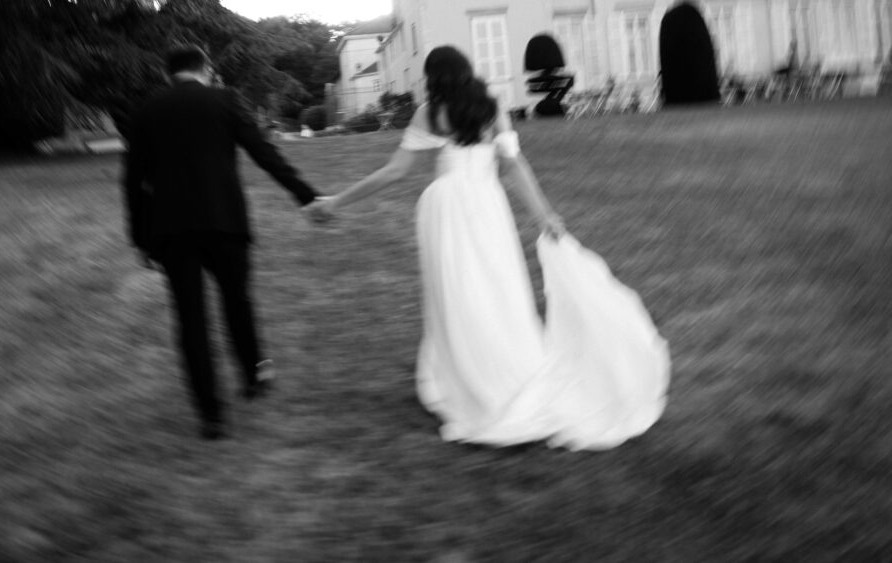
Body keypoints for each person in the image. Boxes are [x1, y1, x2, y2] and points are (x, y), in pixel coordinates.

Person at [308, 46, 669, 449]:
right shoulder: (491, 106)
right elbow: (514, 165)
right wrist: (544, 215)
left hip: (446, 209)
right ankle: (504, 364)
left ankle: (474, 373)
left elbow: (395, 171)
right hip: (486, 204)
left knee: (459, 292)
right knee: (498, 286)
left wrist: (336, 201)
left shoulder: (430, 112)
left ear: (434, 77)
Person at [124, 45, 323, 440]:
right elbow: (264, 153)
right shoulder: (224, 100)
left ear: (168, 74)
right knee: (237, 301)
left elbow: (132, 181)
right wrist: (305, 195)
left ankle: (210, 416)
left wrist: (141, 239)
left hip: (172, 230)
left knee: (190, 319)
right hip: (224, 222)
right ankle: (253, 375)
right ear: (206, 69)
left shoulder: (147, 110)